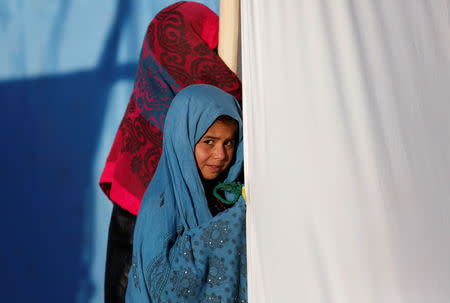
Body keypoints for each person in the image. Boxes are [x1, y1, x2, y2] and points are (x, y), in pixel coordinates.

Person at [126, 84, 247, 302]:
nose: (220, 154)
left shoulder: (225, 196)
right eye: (208, 142)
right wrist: (233, 222)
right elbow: (166, 290)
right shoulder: (160, 208)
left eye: (229, 142)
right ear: (182, 140)